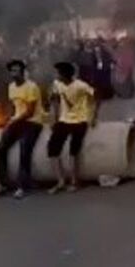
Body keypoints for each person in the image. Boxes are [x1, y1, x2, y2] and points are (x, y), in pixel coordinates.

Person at [0, 60, 45, 200]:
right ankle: (3, 183)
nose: (14, 73)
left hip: (33, 122)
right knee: (0, 147)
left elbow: (30, 112)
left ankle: (22, 186)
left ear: (22, 72)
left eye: (17, 70)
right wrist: (6, 120)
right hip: (18, 120)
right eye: (12, 71)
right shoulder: (11, 87)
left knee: (24, 148)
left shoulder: (31, 87)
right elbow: (14, 107)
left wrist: (13, 122)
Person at [47, 62, 97, 194]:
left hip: (80, 121)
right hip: (64, 120)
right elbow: (55, 100)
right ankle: (60, 181)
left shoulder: (81, 85)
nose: (56, 76)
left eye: (58, 73)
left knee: (74, 150)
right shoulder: (57, 84)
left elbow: (96, 96)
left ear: (65, 74)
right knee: (52, 149)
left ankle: (74, 181)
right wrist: (54, 118)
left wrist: (93, 116)